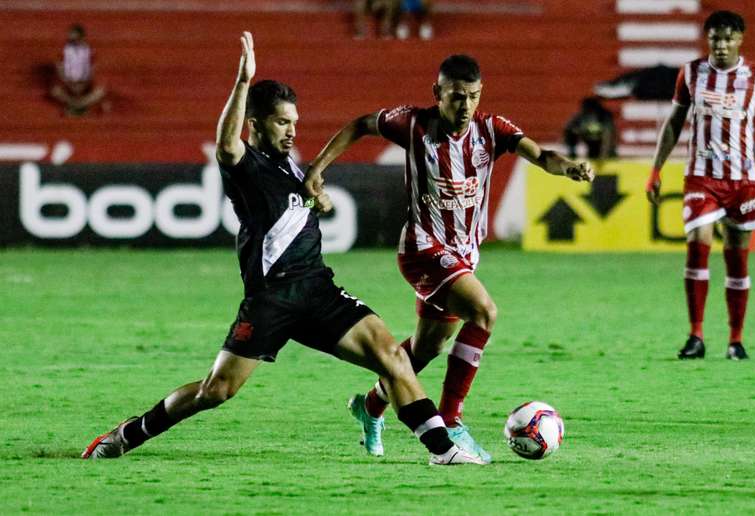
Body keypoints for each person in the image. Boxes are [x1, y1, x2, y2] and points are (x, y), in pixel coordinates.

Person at [81, 32, 484, 466]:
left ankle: (444, 452)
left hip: (317, 289)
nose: (292, 130)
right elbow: (225, 145)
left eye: (295, 121)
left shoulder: (291, 163)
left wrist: (319, 197)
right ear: (255, 123)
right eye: (281, 122)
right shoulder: (247, 166)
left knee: (391, 356)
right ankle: (127, 434)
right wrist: (241, 83)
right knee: (216, 390)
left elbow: (301, 201)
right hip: (271, 300)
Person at [304, 54, 594, 462]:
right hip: (423, 249)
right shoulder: (413, 124)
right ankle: (451, 419)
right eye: (457, 97)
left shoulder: (492, 130)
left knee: (425, 350)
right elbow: (359, 125)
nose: (465, 106)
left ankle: (369, 408)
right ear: (437, 94)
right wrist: (317, 168)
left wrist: (568, 168)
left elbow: (541, 155)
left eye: (473, 96)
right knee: (484, 312)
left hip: (463, 255)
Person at [646, 11, 755, 360]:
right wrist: (655, 170)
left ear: (740, 39)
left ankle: (736, 339)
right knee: (697, 244)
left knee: (738, 260)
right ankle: (696, 335)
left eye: (728, 38)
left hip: (743, 180)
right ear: (708, 40)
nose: (721, 45)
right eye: (715, 38)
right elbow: (673, 123)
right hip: (701, 176)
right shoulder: (690, 74)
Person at [50, 24, 107, 116]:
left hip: (86, 82)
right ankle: (80, 105)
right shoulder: (63, 51)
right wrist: (68, 82)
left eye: (75, 38)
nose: (72, 41)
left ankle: (75, 105)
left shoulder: (91, 52)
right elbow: (59, 68)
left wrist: (83, 84)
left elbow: (93, 70)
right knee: (55, 90)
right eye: (71, 38)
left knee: (100, 91)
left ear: (82, 37)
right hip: (68, 81)